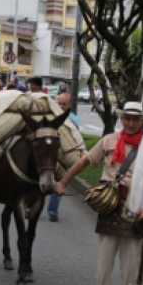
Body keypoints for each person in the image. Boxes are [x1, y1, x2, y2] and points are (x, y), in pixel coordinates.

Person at [56, 101, 143, 285]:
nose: (131, 123)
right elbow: (85, 161)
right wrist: (63, 181)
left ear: (142, 121)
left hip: (136, 207)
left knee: (131, 255)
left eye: (135, 119)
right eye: (127, 118)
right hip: (109, 204)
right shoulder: (108, 140)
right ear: (121, 119)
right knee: (105, 253)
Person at [47, 92, 79, 222]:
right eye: (58, 103)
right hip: (48, 155)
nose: (60, 106)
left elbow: (76, 139)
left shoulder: (73, 120)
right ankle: (29, 206)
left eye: (63, 104)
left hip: (63, 156)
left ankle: (52, 210)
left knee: (60, 181)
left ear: (69, 105)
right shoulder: (48, 116)